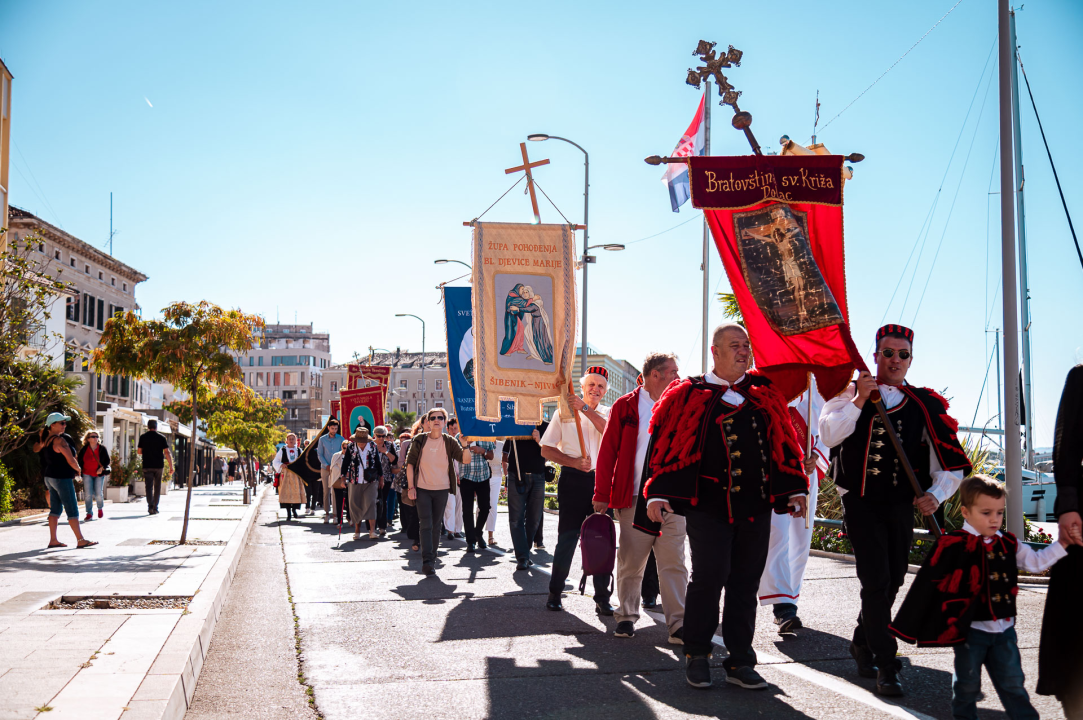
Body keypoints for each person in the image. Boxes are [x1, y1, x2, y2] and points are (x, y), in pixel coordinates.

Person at [645, 324, 809, 691]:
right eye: (735, 346)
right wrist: (657, 492)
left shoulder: (764, 392)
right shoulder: (688, 392)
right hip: (709, 505)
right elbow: (665, 442)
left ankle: (740, 661)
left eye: (746, 346)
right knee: (710, 576)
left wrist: (794, 487)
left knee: (744, 582)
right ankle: (698, 653)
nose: (743, 351)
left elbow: (783, 442)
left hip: (755, 504)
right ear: (715, 351)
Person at [819, 324, 971, 696]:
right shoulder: (849, 394)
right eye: (888, 353)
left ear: (910, 359)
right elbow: (829, 434)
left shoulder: (923, 403)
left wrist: (936, 494)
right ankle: (887, 664)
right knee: (876, 581)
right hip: (860, 502)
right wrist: (858, 401)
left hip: (901, 504)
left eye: (902, 355)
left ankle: (862, 639)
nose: (895, 360)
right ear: (875, 357)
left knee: (896, 579)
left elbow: (948, 463)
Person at [890, 475, 1068, 720]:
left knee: (1014, 685)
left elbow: (1036, 562)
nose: (994, 519)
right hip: (970, 634)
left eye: (999, 512)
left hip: (1004, 632)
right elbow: (926, 585)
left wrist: (1063, 543)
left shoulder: (1008, 543)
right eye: (986, 512)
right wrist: (908, 626)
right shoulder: (952, 544)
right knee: (967, 687)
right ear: (965, 511)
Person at [595, 352, 687, 642]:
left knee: (674, 562)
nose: (678, 376)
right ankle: (626, 616)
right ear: (655, 375)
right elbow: (607, 451)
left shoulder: (682, 404)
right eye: (673, 371)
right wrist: (601, 493)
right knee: (631, 562)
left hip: (673, 499)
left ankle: (678, 624)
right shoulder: (625, 406)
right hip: (634, 498)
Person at [541, 366, 613, 614]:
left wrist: (584, 408)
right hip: (573, 480)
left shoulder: (609, 412)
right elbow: (546, 449)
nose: (596, 389)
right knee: (568, 538)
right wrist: (572, 462)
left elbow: (609, 431)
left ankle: (602, 597)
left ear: (605, 392)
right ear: (582, 387)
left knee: (602, 540)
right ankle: (555, 591)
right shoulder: (564, 413)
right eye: (591, 384)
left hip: (602, 482)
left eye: (601, 386)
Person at [758, 380, 828, 635]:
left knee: (800, 539)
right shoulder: (764, 385)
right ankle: (782, 606)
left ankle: (789, 601)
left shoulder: (814, 389)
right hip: (772, 471)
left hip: (804, 472)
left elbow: (826, 431)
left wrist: (817, 455)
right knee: (776, 535)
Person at [1038, 363, 1083, 718]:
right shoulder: (1081, 377)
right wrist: (1067, 506)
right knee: (1076, 611)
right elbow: (1066, 448)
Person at [404, 408, 468, 575]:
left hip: (442, 489)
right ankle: (427, 560)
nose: (437, 420)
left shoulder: (449, 441)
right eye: (433, 418)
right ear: (428, 422)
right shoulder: (419, 440)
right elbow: (409, 464)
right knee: (425, 523)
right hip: (422, 489)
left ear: (445, 422)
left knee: (436, 526)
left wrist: (465, 445)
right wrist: (411, 487)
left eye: (440, 417)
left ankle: (431, 558)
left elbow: (465, 459)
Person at [37, 412, 97, 549]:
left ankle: (53, 540)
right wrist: (79, 470)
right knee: (72, 508)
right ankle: (80, 539)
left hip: (49, 477)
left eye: (65, 423)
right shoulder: (60, 441)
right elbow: (71, 459)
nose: (65, 425)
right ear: (52, 425)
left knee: (55, 509)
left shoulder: (47, 440)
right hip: (61, 477)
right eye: (62, 423)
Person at [504, 423, 549, 570]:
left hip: (539, 476)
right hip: (516, 475)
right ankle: (522, 557)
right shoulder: (514, 422)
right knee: (516, 519)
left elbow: (554, 451)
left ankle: (524, 552)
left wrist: (540, 441)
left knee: (534, 519)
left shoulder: (547, 426)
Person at [457, 434, 496, 552]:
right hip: (467, 476)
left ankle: (478, 533)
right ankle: (470, 541)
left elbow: (491, 456)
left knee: (485, 507)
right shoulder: (460, 436)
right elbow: (456, 456)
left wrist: (482, 451)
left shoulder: (485, 435)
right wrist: (465, 446)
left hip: (483, 476)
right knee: (467, 509)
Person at [342, 427, 380, 540]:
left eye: (364, 440)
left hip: (371, 480)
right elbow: (346, 463)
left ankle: (372, 531)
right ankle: (357, 530)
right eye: (360, 440)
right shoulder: (350, 447)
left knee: (371, 503)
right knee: (355, 504)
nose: (362, 442)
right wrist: (342, 477)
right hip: (355, 480)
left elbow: (377, 462)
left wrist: (381, 477)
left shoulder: (372, 446)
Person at [137, 419, 174, 516]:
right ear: (156, 427)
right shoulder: (161, 438)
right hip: (158, 466)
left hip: (147, 465)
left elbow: (139, 452)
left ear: (148, 427)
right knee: (157, 487)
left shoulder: (143, 437)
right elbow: (167, 452)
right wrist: (171, 466)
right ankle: (155, 507)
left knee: (148, 487)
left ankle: (150, 506)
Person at [368, 426, 398, 538]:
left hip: (386, 478)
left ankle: (382, 527)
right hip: (371, 478)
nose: (381, 438)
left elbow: (394, 460)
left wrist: (385, 452)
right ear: (374, 435)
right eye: (378, 436)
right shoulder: (369, 444)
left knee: (383, 502)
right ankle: (372, 527)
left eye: (383, 436)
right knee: (372, 502)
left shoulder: (389, 445)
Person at [78, 429, 111, 521]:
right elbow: (79, 461)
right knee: (88, 494)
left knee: (98, 493)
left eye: (97, 436)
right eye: (93, 436)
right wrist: (78, 472)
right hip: (86, 473)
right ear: (88, 439)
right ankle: (89, 513)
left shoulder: (102, 448)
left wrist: (101, 468)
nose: (95, 438)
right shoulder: (84, 449)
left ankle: (100, 508)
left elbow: (107, 461)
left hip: (98, 475)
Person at [398, 425, 421, 552]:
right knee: (413, 511)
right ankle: (415, 539)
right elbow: (401, 463)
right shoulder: (407, 444)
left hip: (429, 482)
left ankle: (427, 540)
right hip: (412, 481)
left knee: (427, 513)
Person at [443, 417, 466, 540]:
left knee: (460, 505)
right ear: (447, 429)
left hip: (462, 478)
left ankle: (458, 529)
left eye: (455, 428)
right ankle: (450, 530)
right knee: (450, 504)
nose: (453, 431)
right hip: (449, 479)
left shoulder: (463, 441)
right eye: (451, 429)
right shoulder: (445, 442)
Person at [273, 434, 304, 520]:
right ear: (286, 441)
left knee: (295, 494)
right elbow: (275, 461)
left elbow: (303, 461)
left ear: (295, 441)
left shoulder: (299, 450)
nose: (291, 440)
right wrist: (281, 464)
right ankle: (288, 513)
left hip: (296, 475)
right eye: (289, 439)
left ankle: (294, 510)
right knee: (286, 493)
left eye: (293, 439)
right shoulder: (282, 450)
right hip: (285, 475)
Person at [317, 419, 343, 524]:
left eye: (336, 428)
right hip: (325, 468)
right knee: (326, 491)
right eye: (332, 428)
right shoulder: (322, 439)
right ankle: (327, 514)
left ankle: (335, 515)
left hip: (336, 469)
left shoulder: (341, 439)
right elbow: (319, 454)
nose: (334, 430)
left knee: (335, 491)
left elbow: (343, 453)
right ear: (328, 428)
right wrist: (326, 464)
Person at [329, 439, 349, 525]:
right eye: (344, 448)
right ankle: (338, 518)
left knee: (349, 501)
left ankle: (349, 517)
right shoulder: (336, 455)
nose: (345, 450)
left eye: (347, 449)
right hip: (337, 481)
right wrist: (342, 472)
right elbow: (332, 468)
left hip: (349, 481)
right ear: (341, 447)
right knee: (338, 500)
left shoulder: (353, 456)